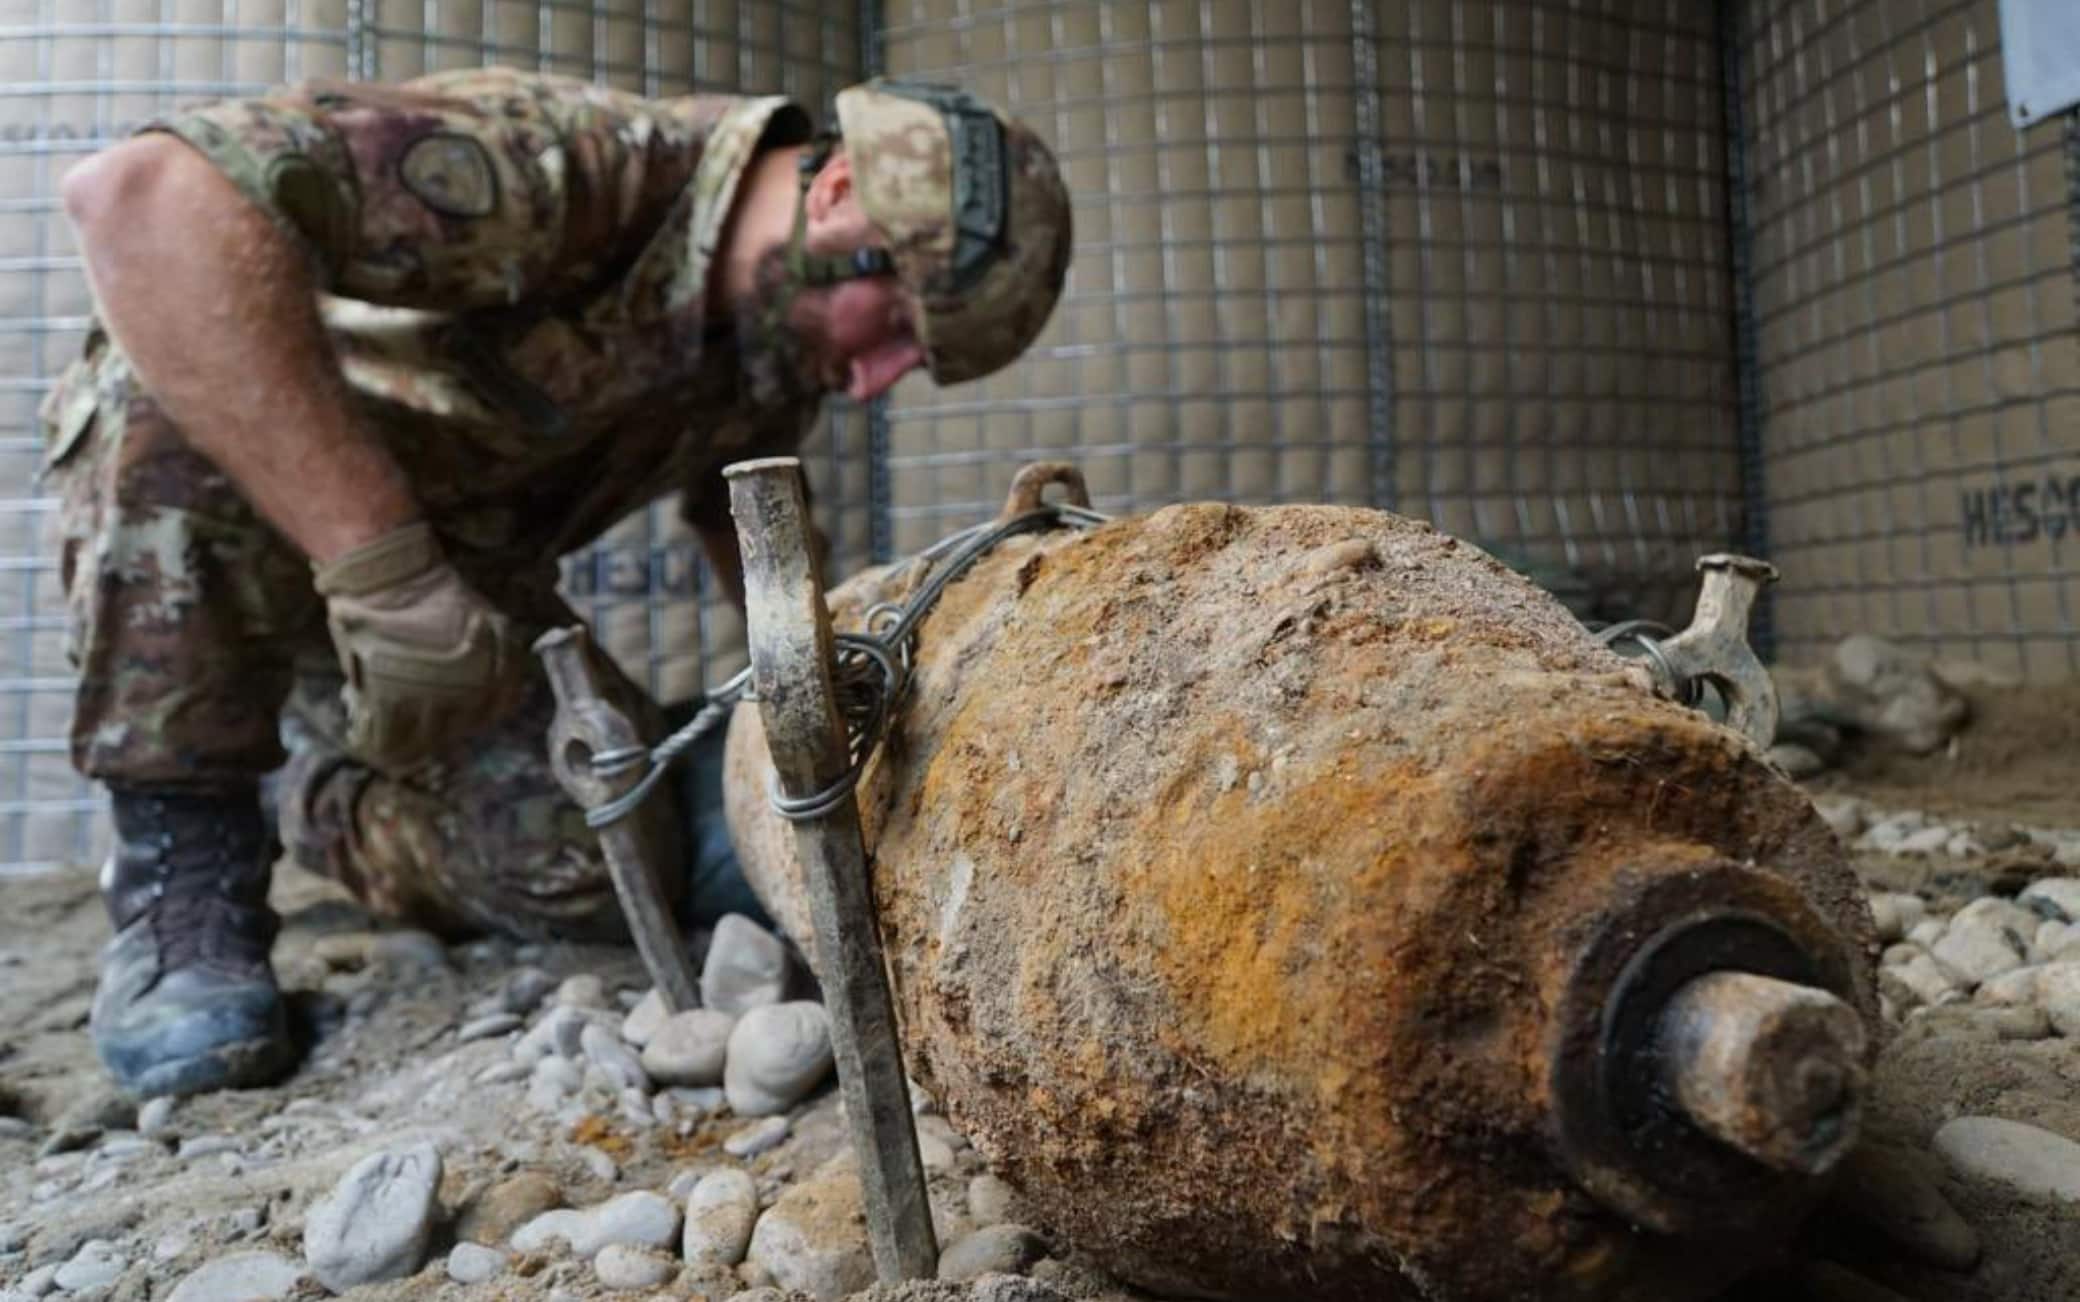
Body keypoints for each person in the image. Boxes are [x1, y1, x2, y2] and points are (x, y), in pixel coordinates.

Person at [37, 66, 1072, 1099]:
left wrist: (810, 696)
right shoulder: (569, 164)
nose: (871, 380)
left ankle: (308, 788)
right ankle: (184, 866)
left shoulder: (759, 338)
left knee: (592, 859)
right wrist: (386, 573)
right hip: (269, 526)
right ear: (840, 191)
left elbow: (744, 522)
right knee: (157, 396)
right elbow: (142, 200)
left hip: (452, 602)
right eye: (898, 325)